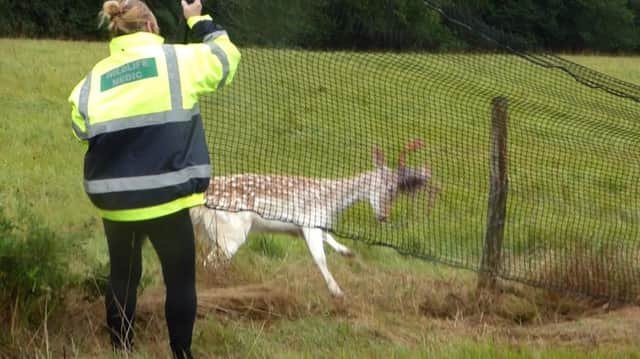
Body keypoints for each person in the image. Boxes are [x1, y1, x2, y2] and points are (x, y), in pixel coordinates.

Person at [67, 0, 240, 357]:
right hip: (168, 197)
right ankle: (181, 353)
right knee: (179, 279)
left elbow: (79, 127)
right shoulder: (180, 60)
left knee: (122, 277)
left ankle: (121, 349)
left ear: (116, 30)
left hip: (117, 201)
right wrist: (197, 20)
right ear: (149, 26)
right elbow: (226, 58)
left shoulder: (94, 79)